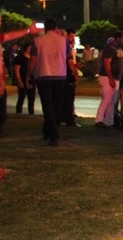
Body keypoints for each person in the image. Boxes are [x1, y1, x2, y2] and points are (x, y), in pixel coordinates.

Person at [28, 18, 68, 146]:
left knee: (47, 106)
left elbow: (33, 60)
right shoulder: (63, 41)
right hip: (60, 75)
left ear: (45, 27)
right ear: (56, 27)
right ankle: (48, 131)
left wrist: (28, 75)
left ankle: (52, 133)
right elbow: (68, 57)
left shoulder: (38, 41)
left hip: (44, 75)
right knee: (56, 106)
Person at [1, 19, 37, 130]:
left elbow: (10, 35)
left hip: (2, 85)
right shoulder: (20, 58)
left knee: (2, 116)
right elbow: (10, 35)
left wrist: (28, 30)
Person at [95, 31, 123, 128]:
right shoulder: (109, 48)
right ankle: (99, 120)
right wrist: (111, 78)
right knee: (107, 98)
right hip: (107, 77)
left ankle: (109, 121)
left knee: (113, 100)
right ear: (117, 38)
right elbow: (107, 64)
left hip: (116, 77)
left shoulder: (118, 48)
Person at [61, 29, 81, 126]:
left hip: (61, 75)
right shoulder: (66, 47)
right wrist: (76, 75)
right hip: (67, 75)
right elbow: (69, 63)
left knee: (63, 99)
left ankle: (61, 118)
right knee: (68, 99)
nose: (73, 38)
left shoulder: (62, 46)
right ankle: (69, 119)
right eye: (71, 36)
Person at [14, 43, 35, 115]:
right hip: (22, 79)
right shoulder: (20, 58)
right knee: (21, 98)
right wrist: (19, 82)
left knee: (31, 99)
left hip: (31, 80)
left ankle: (31, 113)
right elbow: (16, 70)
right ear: (27, 48)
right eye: (30, 48)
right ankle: (18, 113)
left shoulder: (33, 58)